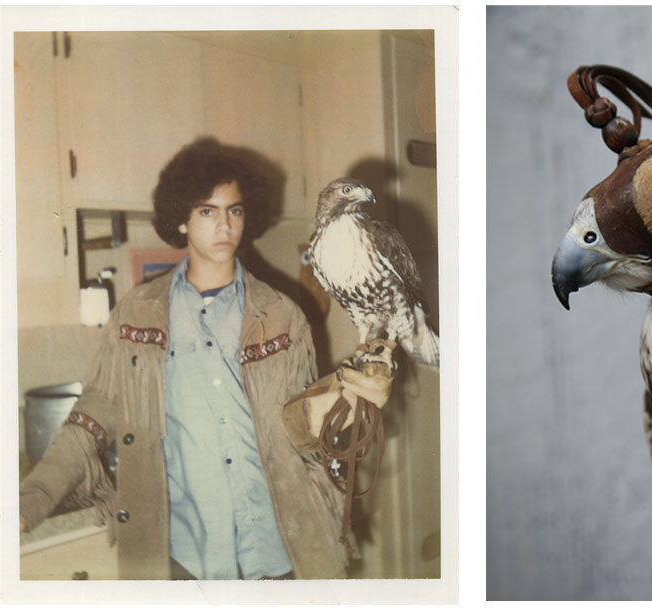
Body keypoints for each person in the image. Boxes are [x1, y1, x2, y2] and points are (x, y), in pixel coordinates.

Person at [19, 138, 386, 580]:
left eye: (234, 210)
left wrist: (350, 403)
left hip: (280, 554)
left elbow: (303, 430)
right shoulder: (136, 316)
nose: (224, 225)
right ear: (181, 221)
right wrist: (29, 504)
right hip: (184, 560)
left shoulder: (283, 315)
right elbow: (92, 418)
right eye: (207, 211)